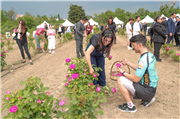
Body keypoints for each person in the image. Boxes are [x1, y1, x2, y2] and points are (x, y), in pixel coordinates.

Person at [117, 34, 158, 113]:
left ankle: (131, 107)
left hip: (147, 91)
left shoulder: (143, 59)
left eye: (133, 45)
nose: (133, 47)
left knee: (120, 80)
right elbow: (141, 68)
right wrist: (127, 63)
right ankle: (147, 99)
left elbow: (136, 79)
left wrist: (123, 72)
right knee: (127, 81)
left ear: (140, 45)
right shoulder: (149, 55)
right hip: (151, 90)